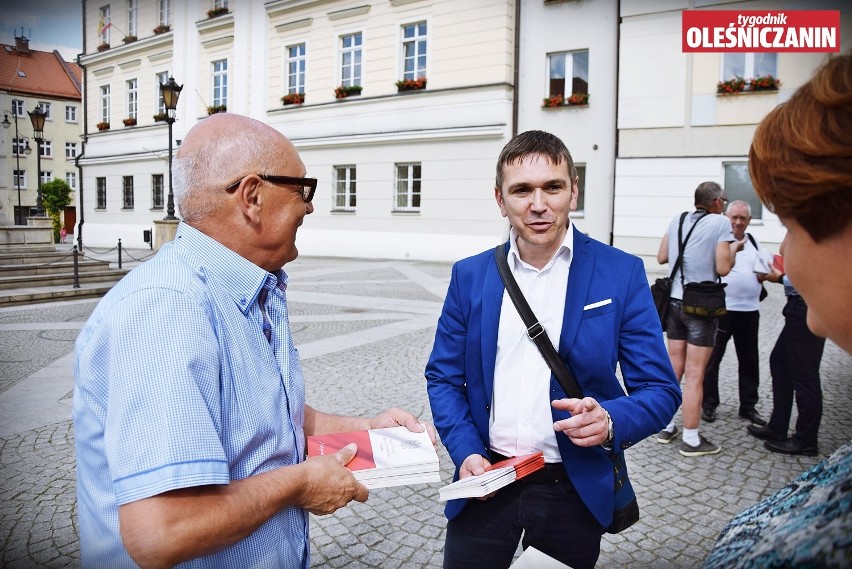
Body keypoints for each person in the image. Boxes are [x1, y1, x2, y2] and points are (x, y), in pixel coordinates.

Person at [73, 113, 433, 568]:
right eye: (302, 188)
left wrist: (370, 431)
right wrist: (300, 485)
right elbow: (162, 531)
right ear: (253, 196)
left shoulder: (249, 287)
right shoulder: (166, 310)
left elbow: (270, 420)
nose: (309, 206)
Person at [425, 130, 681, 569]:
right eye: (522, 190)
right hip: (488, 477)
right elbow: (444, 377)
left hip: (572, 486)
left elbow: (660, 389)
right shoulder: (470, 275)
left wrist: (611, 420)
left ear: (573, 191)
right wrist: (466, 451)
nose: (538, 204)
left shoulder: (620, 272)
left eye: (553, 187)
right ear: (500, 199)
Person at [702, 52, 852, 568]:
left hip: (749, 312)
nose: (790, 251)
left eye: (791, 222)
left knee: (782, 368)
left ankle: (794, 432)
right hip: (731, 311)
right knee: (772, 366)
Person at [655, 182, 745, 456]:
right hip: (701, 307)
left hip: (674, 303)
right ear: (717, 202)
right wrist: (734, 249)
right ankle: (692, 439)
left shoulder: (677, 219)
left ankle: (667, 426)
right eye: (724, 201)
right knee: (695, 374)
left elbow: (661, 257)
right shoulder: (720, 224)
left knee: (674, 369)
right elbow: (722, 268)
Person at [746, 262, 824, 455]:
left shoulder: (823, 241)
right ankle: (777, 427)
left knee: (805, 374)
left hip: (808, 307)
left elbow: (812, 280)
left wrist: (779, 278)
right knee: (779, 362)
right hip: (799, 307)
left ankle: (806, 440)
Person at [701, 200, 768, 426]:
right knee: (712, 360)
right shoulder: (719, 241)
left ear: (749, 221)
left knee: (749, 360)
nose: (738, 222)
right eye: (734, 218)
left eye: (743, 218)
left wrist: (763, 274)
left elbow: (766, 267)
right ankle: (709, 404)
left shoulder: (755, 243)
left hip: (749, 311)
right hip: (722, 311)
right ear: (726, 218)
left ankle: (748, 406)